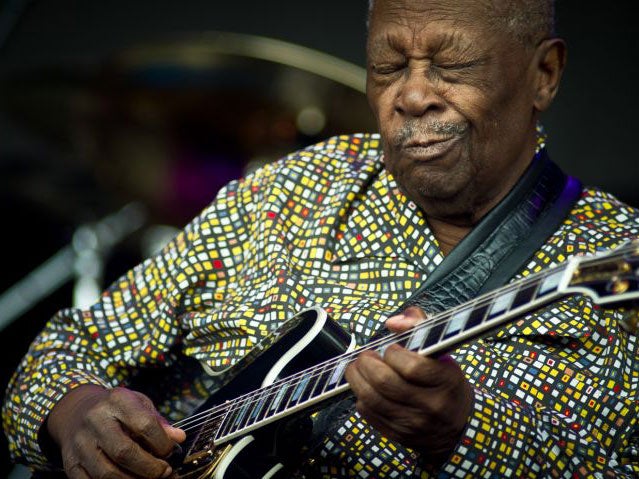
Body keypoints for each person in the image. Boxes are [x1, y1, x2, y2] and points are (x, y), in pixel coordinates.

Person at [3, 0, 639, 477]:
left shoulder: (614, 249)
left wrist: (461, 434)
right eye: (388, 67)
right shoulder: (293, 191)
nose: (412, 95)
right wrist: (76, 410)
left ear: (544, 75)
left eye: (454, 66)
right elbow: (70, 344)